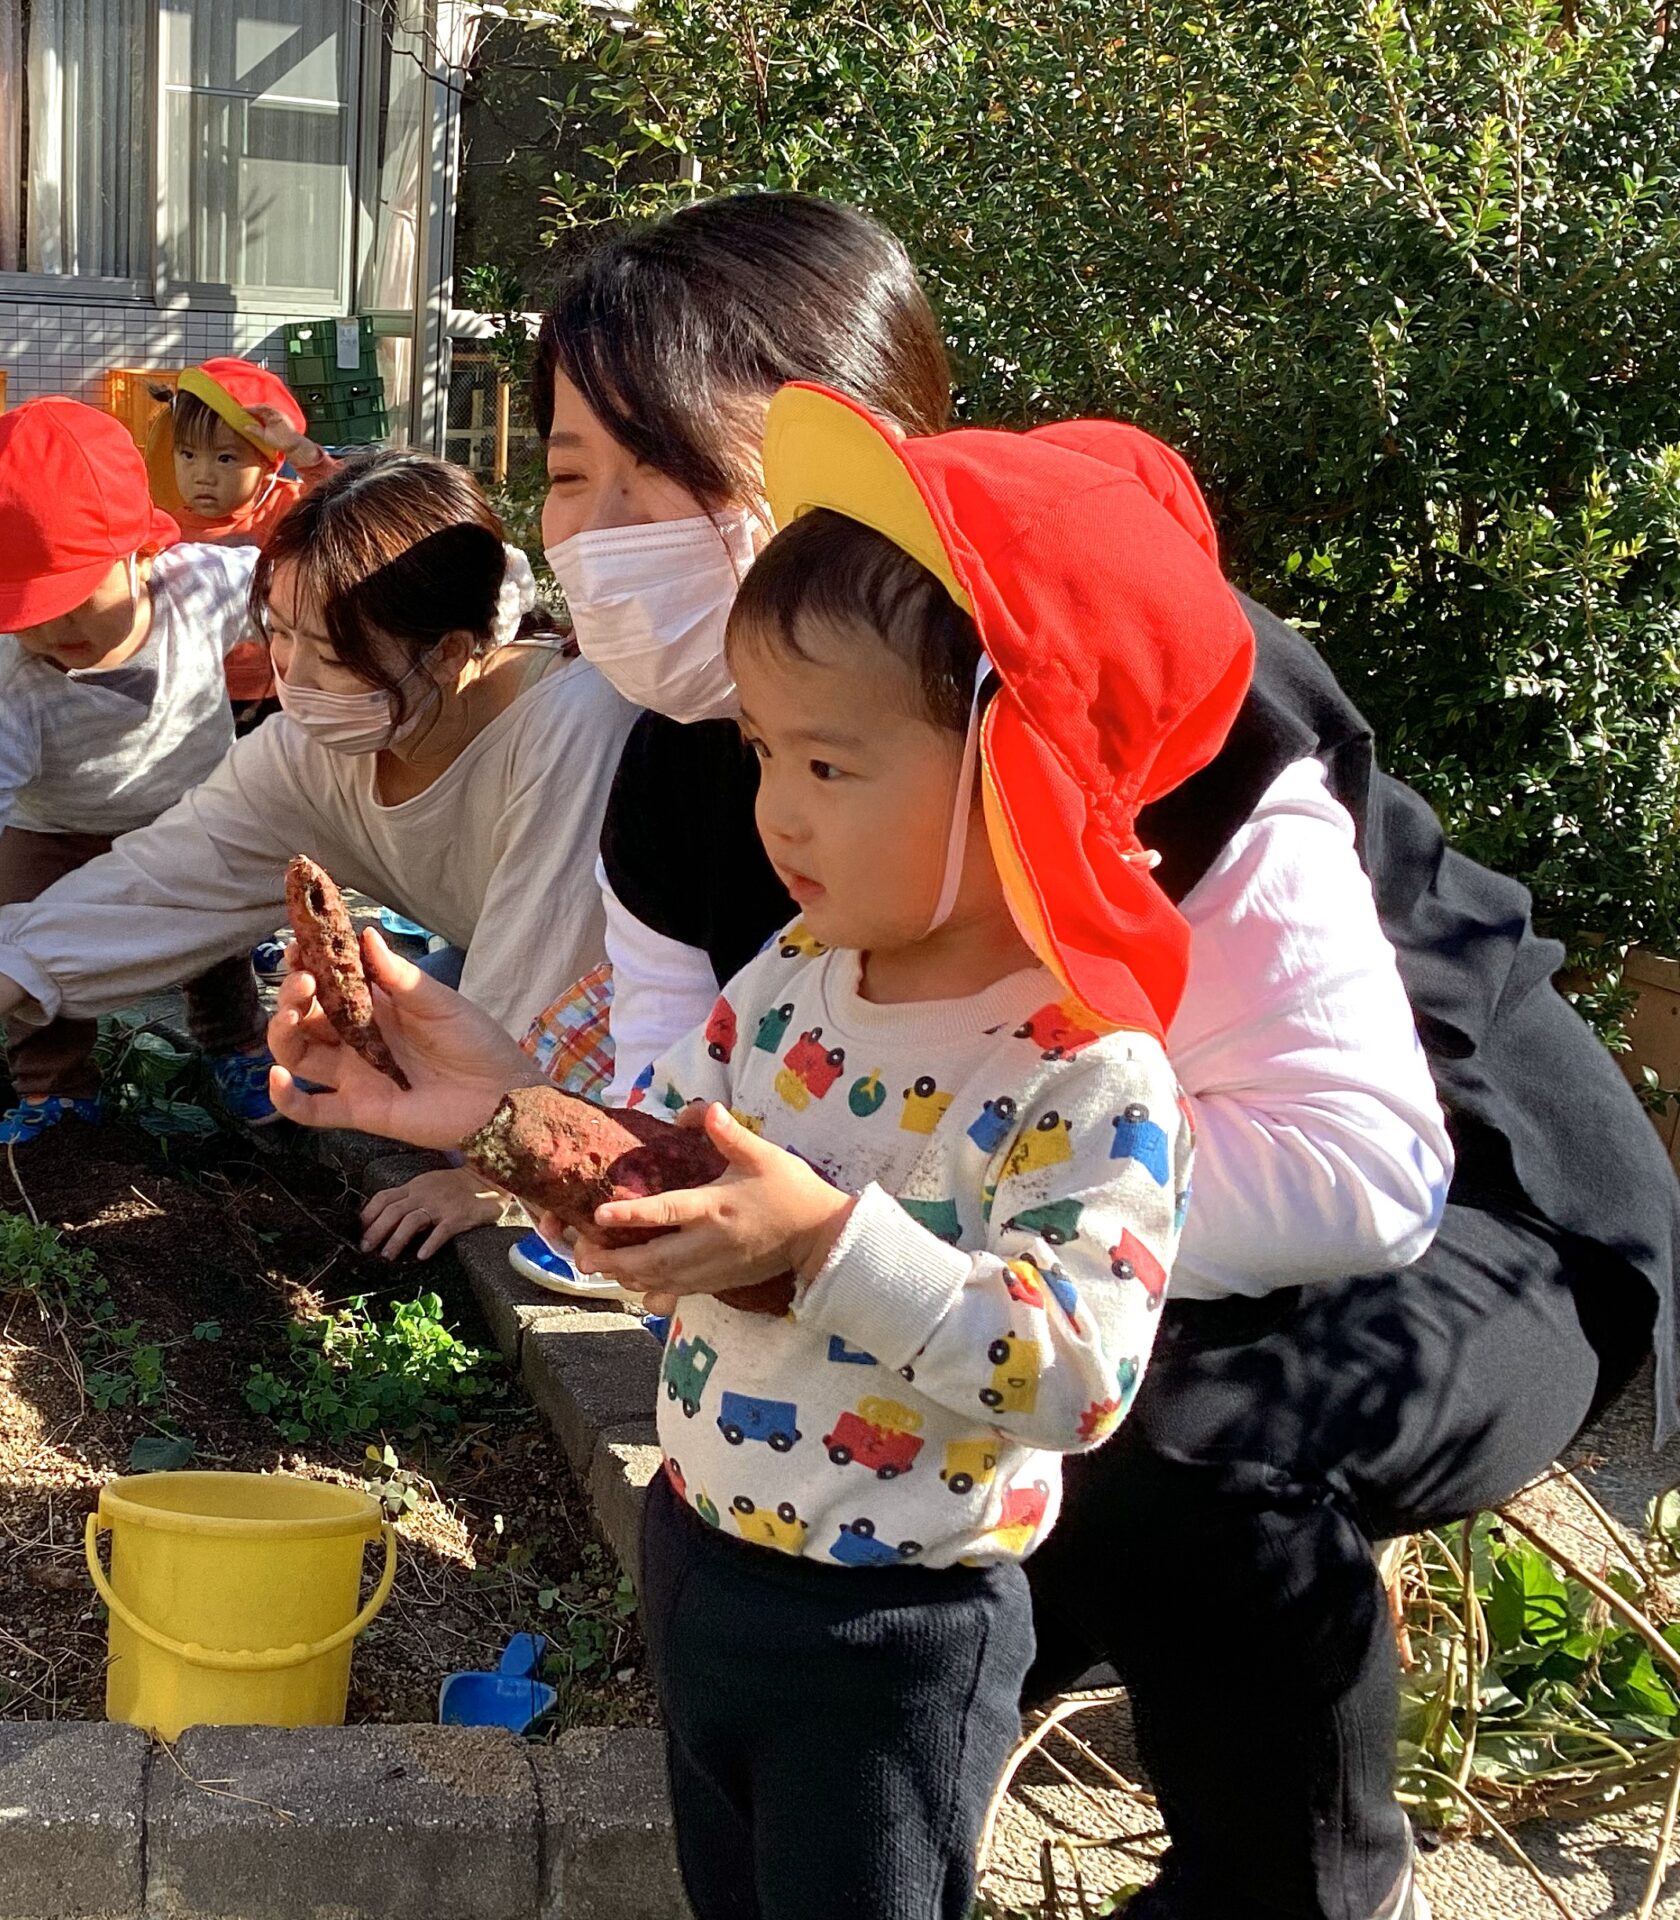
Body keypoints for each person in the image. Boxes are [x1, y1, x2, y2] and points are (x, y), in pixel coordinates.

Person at [536, 191, 1674, 1919]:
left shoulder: (1129, 687)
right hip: (1062, 1223)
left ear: (858, 450)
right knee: (887, 1466)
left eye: (664, 472)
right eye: (566, 477)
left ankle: (1295, 1884)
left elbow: (1356, 1173)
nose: (604, 538)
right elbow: (700, 1132)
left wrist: (860, 1229)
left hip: (1469, 1218)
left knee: (1177, 1438)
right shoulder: (679, 774)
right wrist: (491, 1099)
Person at [262, 384, 1265, 1918]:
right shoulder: (797, 981)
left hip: (895, 1633)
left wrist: (819, 1245)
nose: (776, 809)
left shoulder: (1087, 1071)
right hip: (704, 1549)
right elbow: (656, 1173)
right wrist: (481, 1099)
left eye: (830, 765)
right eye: (763, 755)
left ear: (1022, 772)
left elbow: (1079, 1376)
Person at [0, 450, 639, 1207]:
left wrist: (490, 1173)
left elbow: (544, 970)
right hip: (500, 974)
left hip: (636, 1015)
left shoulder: (571, 726)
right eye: (280, 634)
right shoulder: (313, 749)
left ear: (448, 653)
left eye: (328, 652)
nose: (291, 675)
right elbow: (161, 879)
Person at [0, 397, 274, 1144]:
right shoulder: (15, 679)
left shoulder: (203, 589)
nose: (52, 629)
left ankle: (238, 1048)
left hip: (184, 814)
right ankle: (55, 1092)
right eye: (25, 607)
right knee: (21, 939)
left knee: (217, 947)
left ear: (142, 553)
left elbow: (297, 584)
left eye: (72, 598)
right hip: (49, 829)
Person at [160, 357, 337, 724]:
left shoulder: (284, 509)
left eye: (226, 458)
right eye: (187, 454)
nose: (202, 475)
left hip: (280, 690)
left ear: (268, 464)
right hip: (193, 693)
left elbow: (351, 503)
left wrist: (299, 450)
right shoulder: (163, 527)